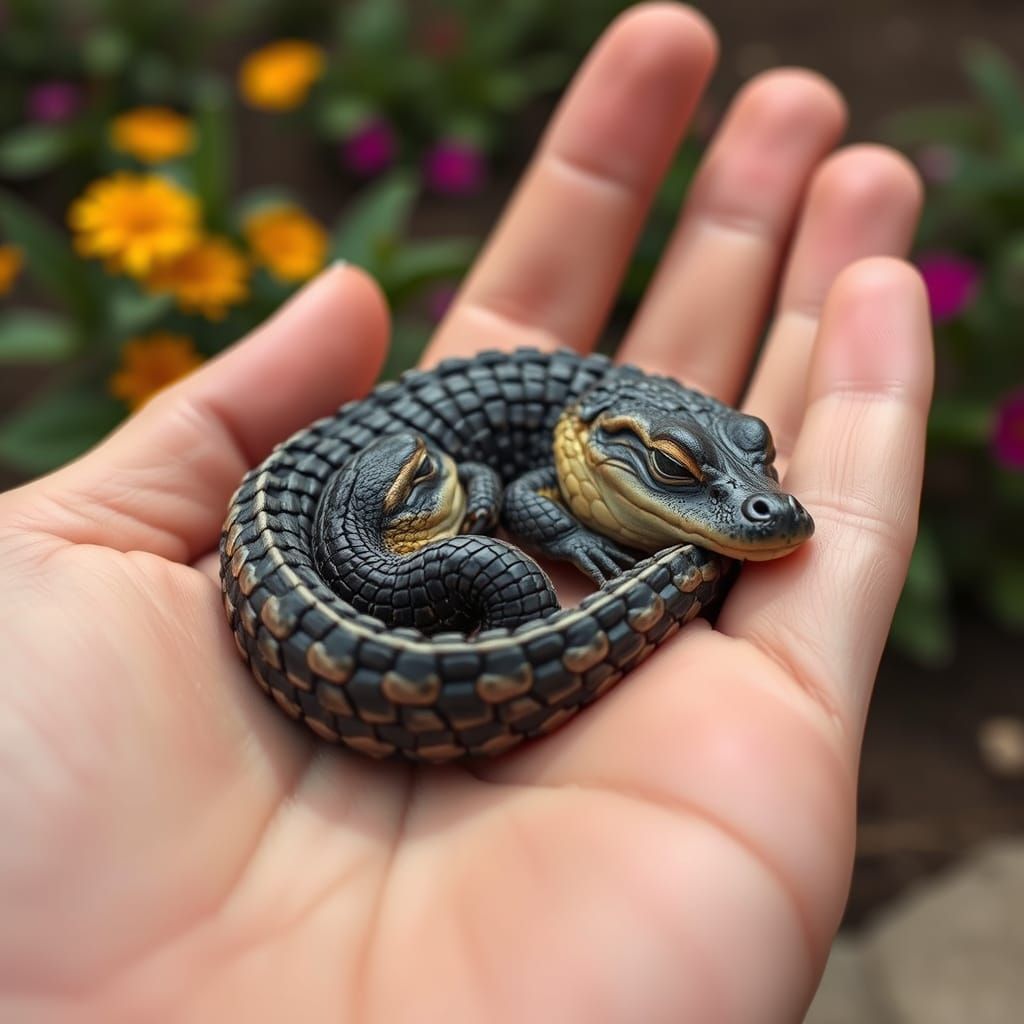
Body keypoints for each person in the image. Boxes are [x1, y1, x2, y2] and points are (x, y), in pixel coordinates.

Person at [0, 4, 930, 1021]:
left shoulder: (577, 436)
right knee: (488, 550)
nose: (744, 500)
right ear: (599, 442)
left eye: (740, 461)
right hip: (353, 529)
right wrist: (553, 534)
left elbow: (529, 496)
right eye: (677, 469)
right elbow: (521, 497)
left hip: (375, 546)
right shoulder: (479, 477)